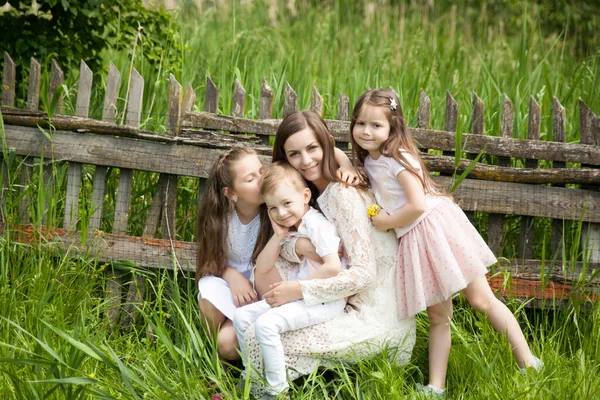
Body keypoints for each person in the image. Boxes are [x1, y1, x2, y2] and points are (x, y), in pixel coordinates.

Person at [350, 89, 542, 397]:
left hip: (435, 229)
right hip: (415, 240)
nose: (366, 131)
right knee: (439, 316)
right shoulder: (370, 161)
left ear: (392, 127)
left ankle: (528, 361)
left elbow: (417, 205)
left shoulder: (397, 158)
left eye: (376, 125)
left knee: (481, 300)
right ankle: (435, 386)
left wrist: (386, 221)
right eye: (360, 123)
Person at [238, 111, 416, 397]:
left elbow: (364, 274)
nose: (306, 161)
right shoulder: (303, 194)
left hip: (374, 312)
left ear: (326, 145)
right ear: (284, 158)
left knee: (258, 337)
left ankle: (270, 393)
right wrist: (300, 247)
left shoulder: (342, 193)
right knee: (254, 327)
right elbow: (290, 243)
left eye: (313, 149)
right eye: (294, 154)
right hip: (338, 298)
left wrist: (299, 290)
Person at [195, 146, 358, 360]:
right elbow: (207, 261)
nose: (262, 180)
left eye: (261, 171)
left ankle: (239, 361)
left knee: (227, 344)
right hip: (228, 282)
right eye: (251, 178)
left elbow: (319, 145)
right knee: (208, 298)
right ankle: (213, 362)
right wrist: (232, 275)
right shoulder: (220, 218)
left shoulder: (278, 210)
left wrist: (345, 163)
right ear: (232, 193)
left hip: (262, 287)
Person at [234, 162, 347, 398]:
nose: (281, 213)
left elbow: (333, 267)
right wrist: (278, 236)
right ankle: (251, 379)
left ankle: (277, 390)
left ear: (305, 196)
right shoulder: (293, 227)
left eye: (287, 203)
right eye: (273, 208)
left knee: (266, 325)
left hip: (325, 298)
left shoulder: (318, 226)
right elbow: (263, 267)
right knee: (242, 316)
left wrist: (297, 288)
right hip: (302, 296)